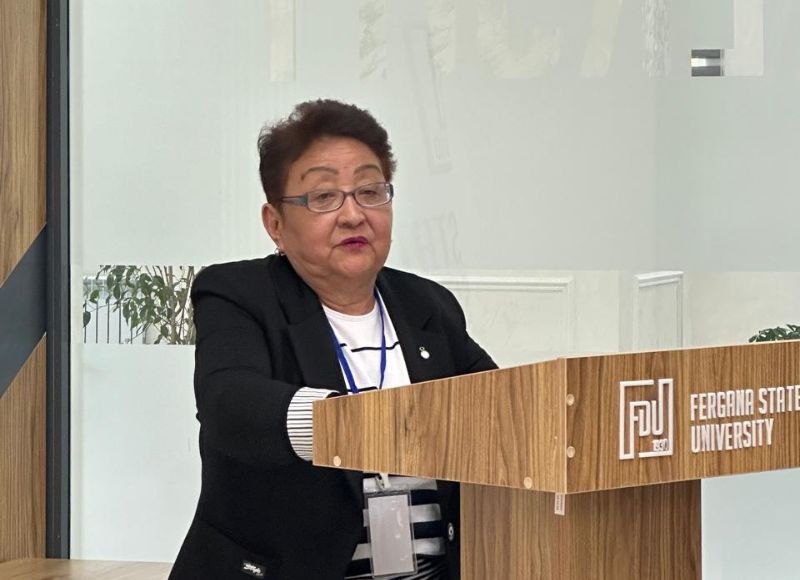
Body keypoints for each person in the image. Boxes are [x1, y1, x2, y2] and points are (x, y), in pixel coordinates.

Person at [170, 100, 496, 580]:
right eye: (324, 197)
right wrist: (358, 424)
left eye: (370, 191)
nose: (354, 215)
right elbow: (229, 404)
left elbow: (498, 406)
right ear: (275, 224)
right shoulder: (239, 294)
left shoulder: (426, 304)